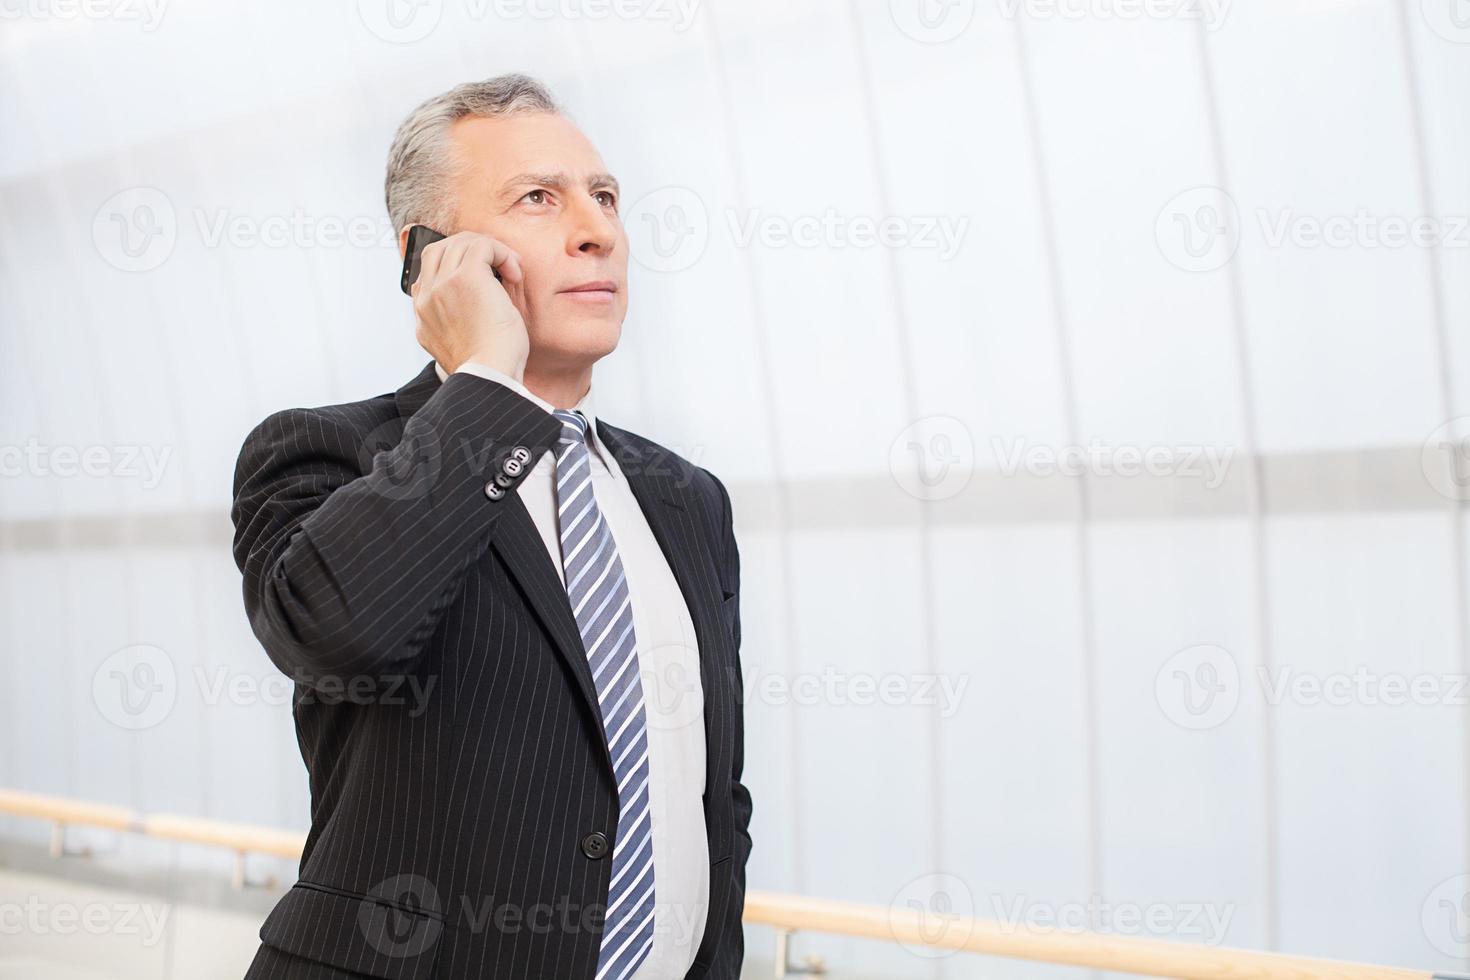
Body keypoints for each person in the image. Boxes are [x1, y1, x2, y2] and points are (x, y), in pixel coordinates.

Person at [230, 73, 751, 980]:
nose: (597, 229)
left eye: (606, 197)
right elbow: (336, 634)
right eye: (539, 198)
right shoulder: (330, 453)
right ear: (428, 256)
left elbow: (712, 797)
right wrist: (483, 385)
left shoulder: (685, 497)